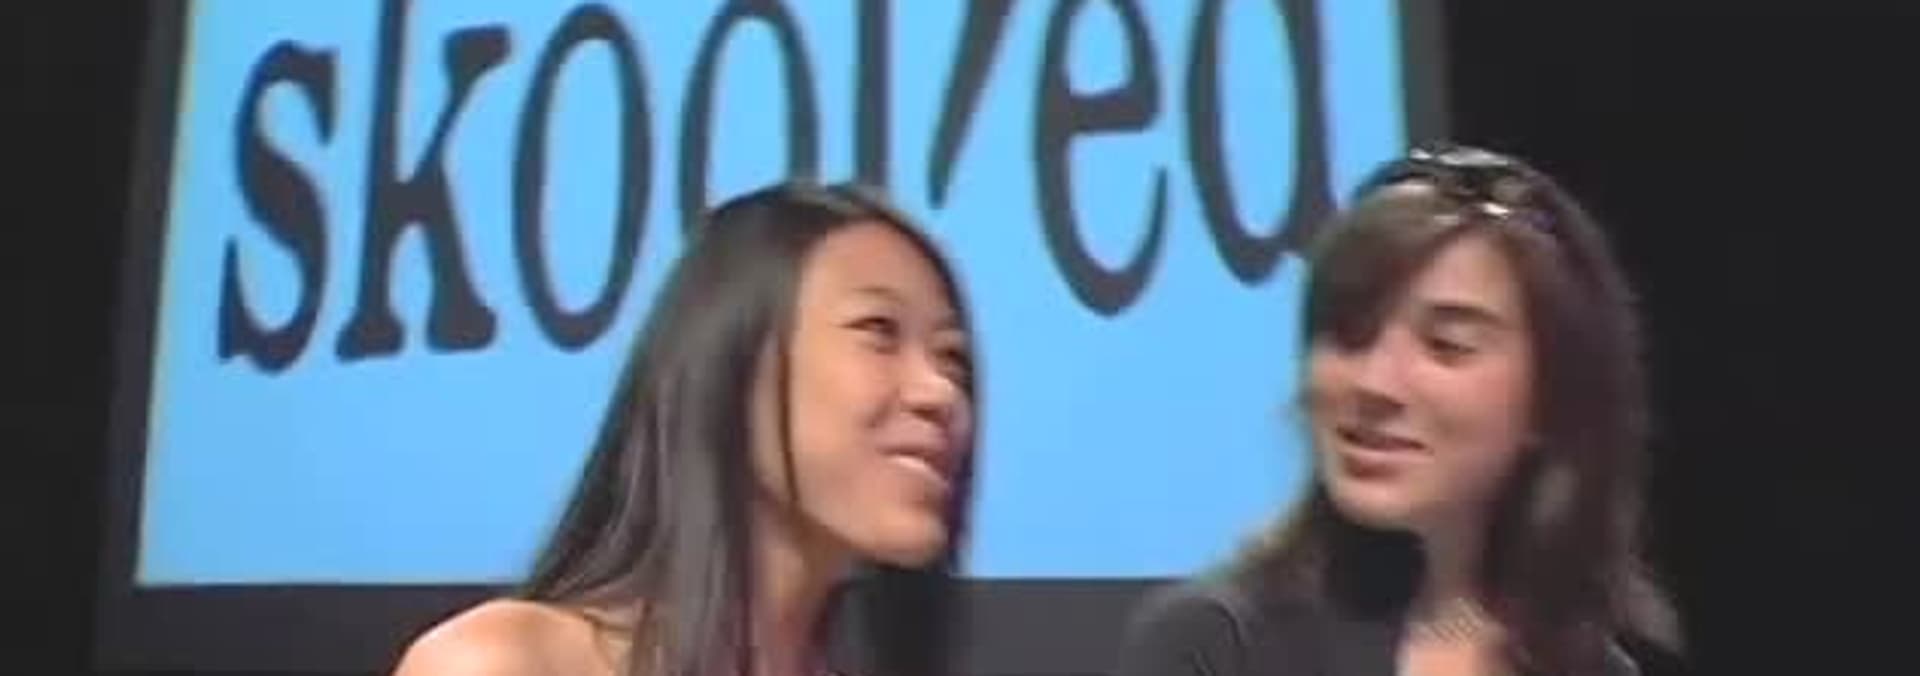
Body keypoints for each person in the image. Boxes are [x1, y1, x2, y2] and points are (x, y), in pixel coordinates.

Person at [1113, 143, 1683, 676]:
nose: (1375, 384)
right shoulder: (1218, 643)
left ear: (1551, 399)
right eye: (1349, 334)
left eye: (1446, 345)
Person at [394, 180, 978, 676]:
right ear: (729, 363)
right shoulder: (508, 663)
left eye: (952, 356)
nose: (941, 393)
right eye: (878, 329)